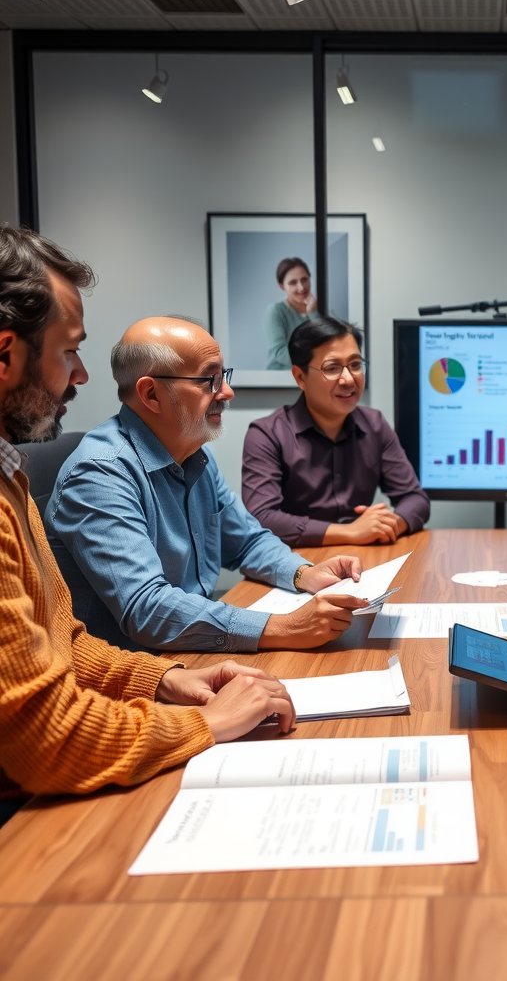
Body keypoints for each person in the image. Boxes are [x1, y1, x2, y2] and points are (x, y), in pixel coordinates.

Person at [0, 225, 296, 824]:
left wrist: (163, 679)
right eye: (68, 350)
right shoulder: (90, 472)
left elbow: (65, 647)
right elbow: (43, 734)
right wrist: (202, 723)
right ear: (6, 354)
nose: (80, 376)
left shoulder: (11, 477)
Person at [45, 316, 369, 654]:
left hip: (192, 649)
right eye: (208, 380)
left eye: (223, 377)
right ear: (151, 394)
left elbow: (244, 541)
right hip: (131, 674)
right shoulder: (100, 473)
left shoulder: (193, 451)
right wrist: (286, 626)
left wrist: (304, 573)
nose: (227, 392)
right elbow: (147, 609)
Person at [242, 316, 430, 546]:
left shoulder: (374, 424)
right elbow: (262, 517)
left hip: (364, 561)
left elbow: (415, 498)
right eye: (332, 368)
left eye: (355, 365)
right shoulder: (267, 434)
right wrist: (350, 532)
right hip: (297, 564)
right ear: (300, 377)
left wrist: (392, 523)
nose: (348, 379)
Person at [265, 257, 318, 370]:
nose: (302, 287)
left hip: (311, 377)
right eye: (293, 283)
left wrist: (313, 314)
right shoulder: (276, 311)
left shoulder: (320, 311)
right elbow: (281, 353)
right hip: (281, 379)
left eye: (304, 280)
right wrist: (315, 361)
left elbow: (327, 344)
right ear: (282, 286)